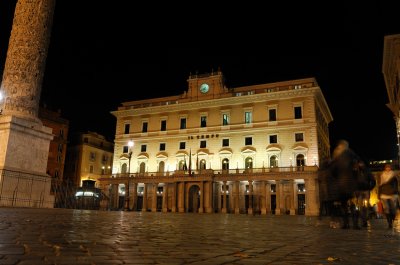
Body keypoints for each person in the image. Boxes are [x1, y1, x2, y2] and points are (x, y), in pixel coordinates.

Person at [329, 140, 364, 229]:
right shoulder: (350, 153)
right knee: (352, 205)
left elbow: (332, 170)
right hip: (350, 183)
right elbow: (359, 162)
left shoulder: (336, 155)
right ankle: (355, 224)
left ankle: (346, 224)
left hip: (342, 183)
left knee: (344, 205)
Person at [378, 163, 399, 228]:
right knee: (386, 209)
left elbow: (396, 185)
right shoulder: (382, 175)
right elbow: (380, 186)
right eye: (386, 167)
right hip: (384, 194)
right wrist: (379, 194)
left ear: (390, 168)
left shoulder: (394, 175)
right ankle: (389, 223)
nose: (387, 168)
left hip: (392, 194)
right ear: (385, 168)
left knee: (393, 209)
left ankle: (392, 220)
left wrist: (395, 192)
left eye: (389, 167)